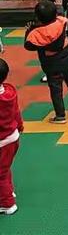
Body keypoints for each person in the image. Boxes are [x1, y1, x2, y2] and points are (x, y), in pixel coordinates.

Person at [24, 0, 68, 123]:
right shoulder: (60, 22)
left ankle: (60, 115)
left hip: (52, 64)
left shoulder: (37, 33)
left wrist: (29, 29)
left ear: (38, 17)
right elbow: (60, 18)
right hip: (67, 57)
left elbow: (28, 45)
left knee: (55, 89)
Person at [0, 58, 23, 215]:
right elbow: (16, 111)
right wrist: (20, 125)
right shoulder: (9, 92)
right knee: (4, 168)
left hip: (2, 141)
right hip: (12, 137)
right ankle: (8, 191)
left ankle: (7, 203)